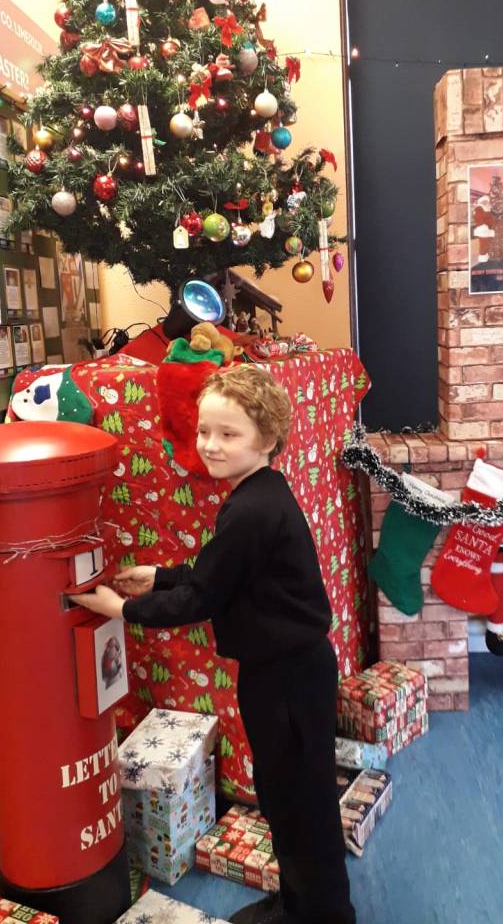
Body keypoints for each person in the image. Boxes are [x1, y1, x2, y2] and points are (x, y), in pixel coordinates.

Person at [72, 364, 355, 924]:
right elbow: (221, 575)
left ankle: (321, 914)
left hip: (287, 678)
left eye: (229, 434)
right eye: (204, 431)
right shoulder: (258, 493)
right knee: (285, 795)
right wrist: (161, 576)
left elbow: (203, 596)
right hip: (284, 671)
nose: (210, 445)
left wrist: (122, 609)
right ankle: (301, 901)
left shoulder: (251, 509)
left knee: (299, 801)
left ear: (267, 439)